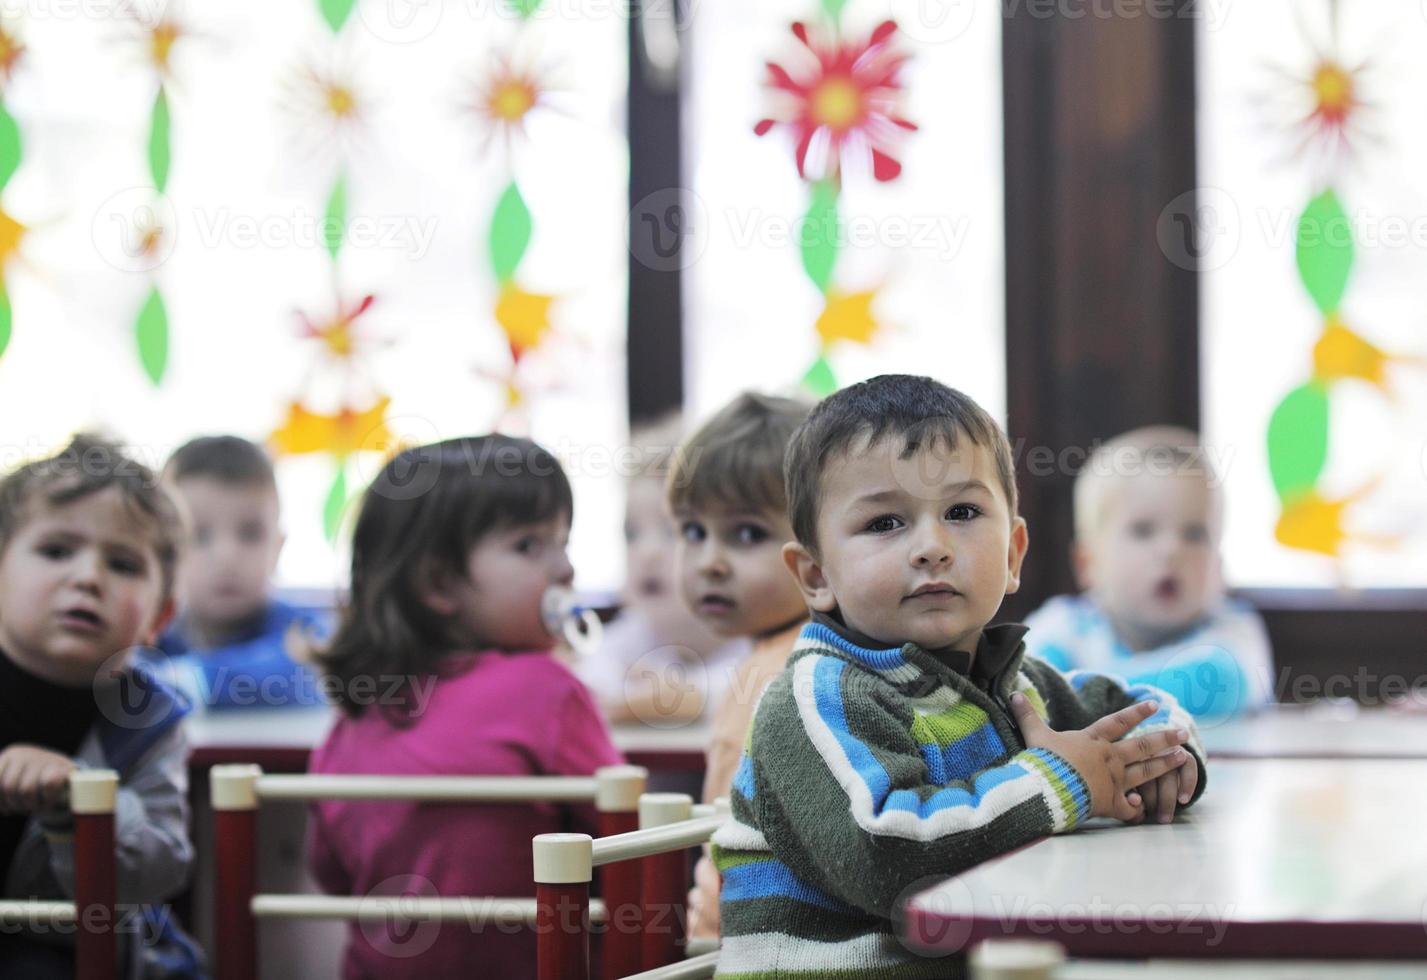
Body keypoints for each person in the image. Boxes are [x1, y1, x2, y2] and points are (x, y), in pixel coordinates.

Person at [713, 376, 1206, 978]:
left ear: (1013, 554)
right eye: (885, 523)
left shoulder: (1015, 683)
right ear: (815, 575)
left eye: (963, 512)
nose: (932, 547)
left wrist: (1164, 763)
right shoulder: (816, 699)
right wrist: (1062, 782)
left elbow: (1137, 707)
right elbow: (887, 857)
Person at [306, 434, 622, 980]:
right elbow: (630, 842)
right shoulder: (547, 690)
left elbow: (330, 871)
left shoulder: (352, 715)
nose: (566, 568)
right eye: (529, 545)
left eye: (562, 541)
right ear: (439, 582)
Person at [0, 434, 202, 979]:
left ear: (159, 618)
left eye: (122, 563)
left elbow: (160, 869)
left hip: (69, 953)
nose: (88, 577)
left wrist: (82, 801)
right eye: (56, 551)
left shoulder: (150, 719)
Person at [664, 393, 812, 940]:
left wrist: (705, 942)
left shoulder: (767, 678)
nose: (709, 562)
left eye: (747, 533)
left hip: (744, 944)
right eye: (693, 530)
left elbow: (726, 848)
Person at [1024, 426, 1274, 718]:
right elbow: (1028, 683)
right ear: (1088, 562)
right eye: (1143, 531)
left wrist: (1082, 693)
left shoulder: (1232, 630)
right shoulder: (1065, 625)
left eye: (1194, 534)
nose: (1171, 550)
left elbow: (1218, 684)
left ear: (1219, 567)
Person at [574, 416, 747, 727]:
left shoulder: (753, 637)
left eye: (673, 532)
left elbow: (765, 691)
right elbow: (590, 690)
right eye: (632, 534)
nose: (646, 553)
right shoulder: (632, 634)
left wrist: (685, 697)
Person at [152, 436, 324, 710]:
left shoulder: (305, 632)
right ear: (166, 552)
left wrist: (184, 681)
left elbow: (301, 667)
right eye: (200, 535)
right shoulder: (152, 634)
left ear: (278, 548)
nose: (227, 557)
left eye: (250, 534)